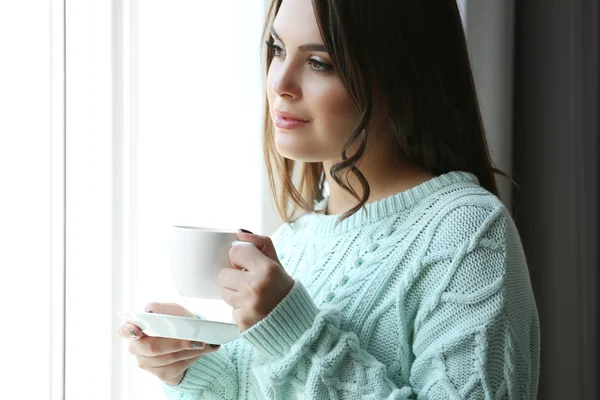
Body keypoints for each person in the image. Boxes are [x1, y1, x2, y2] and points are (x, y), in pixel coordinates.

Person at [118, 0, 540, 398]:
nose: (279, 83)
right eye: (277, 49)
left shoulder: (467, 233)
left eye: (319, 63)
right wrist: (195, 370)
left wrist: (297, 335)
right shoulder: (296, 239)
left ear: (403, 75)